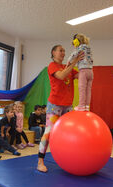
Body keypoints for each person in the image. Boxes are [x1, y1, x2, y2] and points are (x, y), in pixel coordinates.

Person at [37, 44, 83, 172]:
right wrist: (74, 62)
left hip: (67, 105)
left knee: (69, 133)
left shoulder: (66, 67)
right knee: (48, 133)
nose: (63, 52)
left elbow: (79, 76)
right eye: (60, 50)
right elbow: (62, 76)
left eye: (64, 50)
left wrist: (86, 66)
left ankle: (68, 159)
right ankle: (40, 161)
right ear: (53, 53)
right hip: (55, 105)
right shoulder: (53, 66)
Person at [67, 33, 93, 111]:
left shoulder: (80, 48)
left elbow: (74, 55)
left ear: (76, 41)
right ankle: (87, 106)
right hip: (90, 71)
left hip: (83, 71)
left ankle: (81, 105)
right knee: (88, 89)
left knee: (82, 88)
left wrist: (69, 61)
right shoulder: (88, 48)